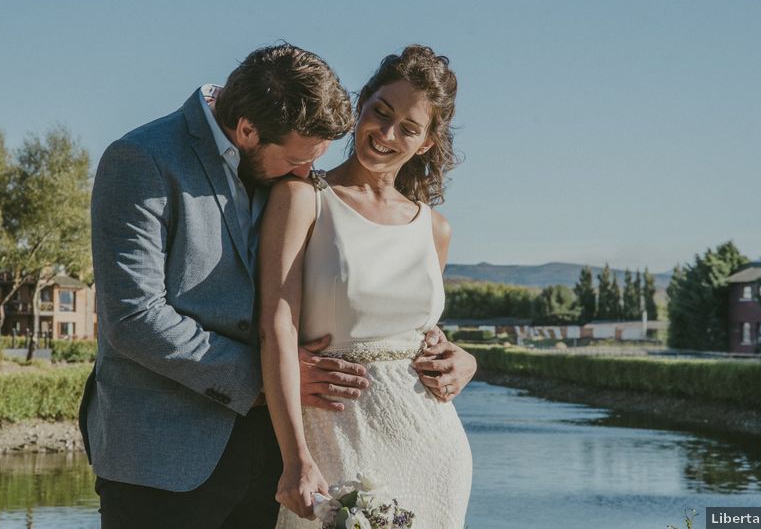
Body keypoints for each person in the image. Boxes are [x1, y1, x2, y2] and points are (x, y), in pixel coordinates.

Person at [80, 44, 362, 528]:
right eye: (298, 159)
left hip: (272, 464)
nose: (307, 174)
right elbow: (133, 318)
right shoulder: (140, 159)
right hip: (162, 461)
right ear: (247, 130)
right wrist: (269, 379)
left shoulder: (285, 172)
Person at [260, 45, 475, 528]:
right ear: (360, 107)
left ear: (426, 143)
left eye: (409, 128)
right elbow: (277, 322)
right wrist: (295, 457)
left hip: (433, 447)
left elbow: (420, 335)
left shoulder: (435, 229)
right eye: (381, 113)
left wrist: (467, 358)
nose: (387, 133)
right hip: (334, 443)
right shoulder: (302, 199)